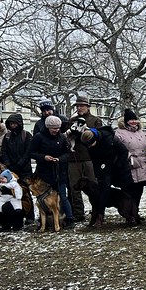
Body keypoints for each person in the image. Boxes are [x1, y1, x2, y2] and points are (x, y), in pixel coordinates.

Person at [29, 115, 75, 228]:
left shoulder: (62, 137)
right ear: (48, 127)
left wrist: (59, 159)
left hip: (59, 171)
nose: (56, 130)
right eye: (53, 128)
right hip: (44, 173)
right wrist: (43, 157)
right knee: (43, 198)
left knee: (62, 196)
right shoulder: (38, 137)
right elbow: (31, 152)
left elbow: (68, 153)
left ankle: (69, 218)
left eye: (58, 128)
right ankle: (43, 220)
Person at [65, 95, 101, 223]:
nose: (79, 108)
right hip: (74, 157)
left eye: (82, 106)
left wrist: (86, 133)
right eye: (78, 106)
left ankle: (97, 212)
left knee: (94, 187)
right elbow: (66, 139)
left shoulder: (95, 120)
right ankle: (78, 213)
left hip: (89, 157)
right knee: (74, 187)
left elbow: (99, 137)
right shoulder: (71, 121)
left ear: (87, 107)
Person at [114, 108, 146, 226]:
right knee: (128, 193)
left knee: (138, 191)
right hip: (128, 166)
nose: (133, 122)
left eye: (135, 119)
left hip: (142, 165)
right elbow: (117, 148)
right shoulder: (119, 133)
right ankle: (129, 215)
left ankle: (136, 212)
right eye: (130, 120)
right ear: (126, 121)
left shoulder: (141, 132)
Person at [0, 113, 34, 222]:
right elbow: (4, 151)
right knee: (12, 193)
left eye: (14, 123)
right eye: (11, 124)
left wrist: (20, 164)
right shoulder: (7, 137)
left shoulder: (26, 135)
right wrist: (8, 164)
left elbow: (28, 152)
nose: (13, 125)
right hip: (11, 170)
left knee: (26, 193)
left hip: (25, 170)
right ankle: (17, 216)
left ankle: (30, 216)